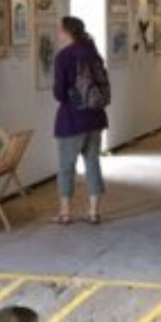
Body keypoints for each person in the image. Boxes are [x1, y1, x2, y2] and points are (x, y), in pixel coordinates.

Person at [51, 16, 109, 224]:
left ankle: (65, 213)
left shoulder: (63, 57)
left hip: (71, 120)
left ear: (67, 32)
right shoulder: (93, 53)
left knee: (67, 167)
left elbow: (59, 93)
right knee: (93, 164)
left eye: (59, 29)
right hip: (96, 117)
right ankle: (94, 212)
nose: (57, 33)